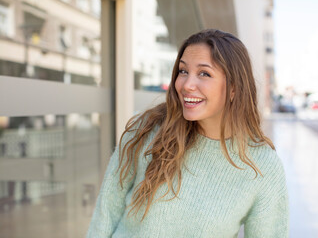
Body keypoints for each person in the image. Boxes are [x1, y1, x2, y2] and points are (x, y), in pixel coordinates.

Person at [86, 29, 289, 238]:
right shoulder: (147, 128)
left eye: (204, 73)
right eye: (183, 71)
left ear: (234, 88)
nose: (186, 85)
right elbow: (107, 211)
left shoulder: (262, 167)